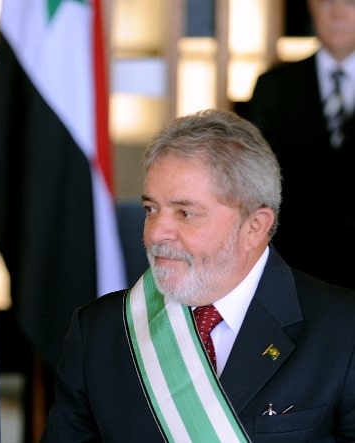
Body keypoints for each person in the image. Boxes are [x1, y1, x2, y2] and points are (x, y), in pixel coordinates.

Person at [41, 109, 355, 442]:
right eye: (151, 209)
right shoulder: (98, 333)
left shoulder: (342, 329)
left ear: (255, 226)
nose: (157, 232)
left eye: (185, 213)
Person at [246, 0, 355, 289]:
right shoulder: (273, 87)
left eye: (350, 3)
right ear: (311, 7)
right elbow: (252, 180)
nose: (338, 13)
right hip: (294, 268)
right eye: (327, 2)